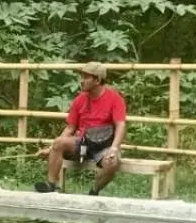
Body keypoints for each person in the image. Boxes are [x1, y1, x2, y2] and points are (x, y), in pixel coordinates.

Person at [35, 62, 127, 196]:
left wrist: (114, 148)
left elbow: (121, 125)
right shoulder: (80, 99)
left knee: (112, 163)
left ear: (97, 80)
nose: (81, 81)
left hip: (104, 145)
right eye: (81, 77)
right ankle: (51, 184)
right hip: (83, 142)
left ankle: (94, 191)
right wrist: (51, 148)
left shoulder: (115, 98)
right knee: (59, 143)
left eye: (86, 77)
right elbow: (70, 128)